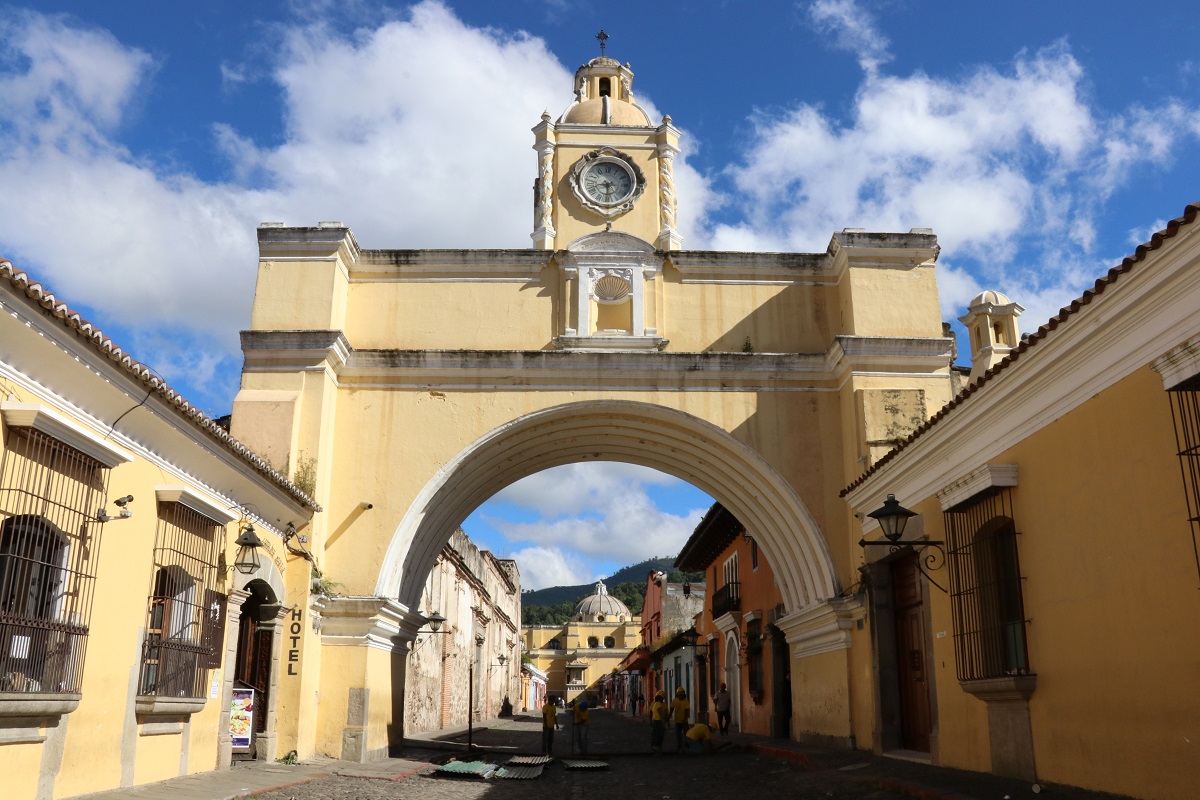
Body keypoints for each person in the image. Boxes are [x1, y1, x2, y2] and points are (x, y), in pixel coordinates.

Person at [671, 687, 690, 751]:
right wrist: (669, 716)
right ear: (677, 694)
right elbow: (671, 709)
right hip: (677, 721)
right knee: (678, 735)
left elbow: (687, 711)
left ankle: (686, 747)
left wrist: (685, 718)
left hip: (684, 721)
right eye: (680, 694)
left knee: (686, 735)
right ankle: (679, 747)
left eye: (682, 694)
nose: (681, 695)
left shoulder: (686, 701)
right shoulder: (674, 701)